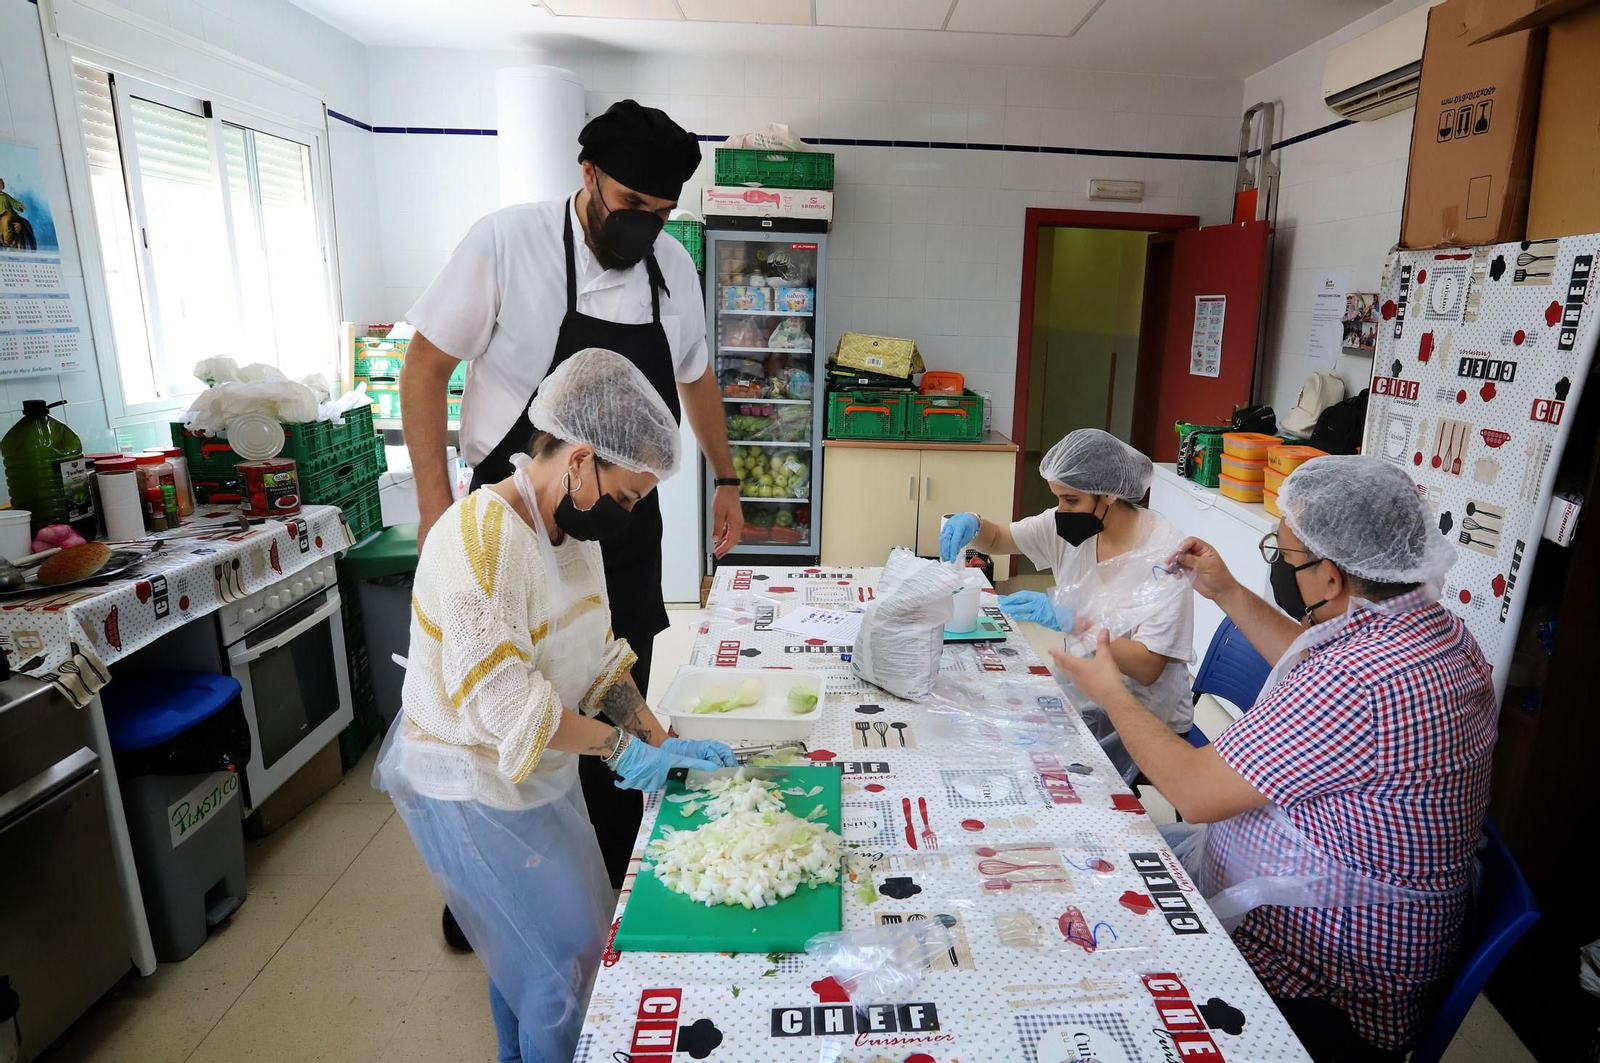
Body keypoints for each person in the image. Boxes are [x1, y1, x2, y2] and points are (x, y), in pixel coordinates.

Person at [399, 100, 743, 912]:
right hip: (517, 509)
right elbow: (423, 368)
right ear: (587, 175)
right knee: (501, 706)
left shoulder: (674, 274)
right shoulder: (506, 243)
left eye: (661, 215)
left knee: (607, 676)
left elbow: (695, 379)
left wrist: (725, 479)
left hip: (608, 515)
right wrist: (430, 504)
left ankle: (609, 881)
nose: (644, 228)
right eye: (631, 207)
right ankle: (493, 891)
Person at [1054, 456, 1497, 1063]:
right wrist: (1228, 591)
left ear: (1332, 577)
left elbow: (1193, 791)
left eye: (1286, 559)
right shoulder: (1434, 631)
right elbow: (1312, 661)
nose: (1280, 570)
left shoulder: (1358, 681)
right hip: (1376, 921)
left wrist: (1109, 690)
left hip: (1330, 984)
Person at [376, 349, 736, 1063]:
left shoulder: (571, 535)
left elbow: (596, 663)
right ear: (579, 460)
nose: (631, 514)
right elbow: (513, 711)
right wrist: (618, 748)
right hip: (468, 784)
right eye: (629, 495)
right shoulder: (483, 540)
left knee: (528, 952)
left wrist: (656, 737)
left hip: (535, 774)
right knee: (560, 978)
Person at [939, 428, 1195, 780]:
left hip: (1146, 718)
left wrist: (1074, 623)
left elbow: (1148, 666)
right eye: (1058, 498)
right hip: (1082, 693)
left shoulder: (1166, 554)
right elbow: (999, 537)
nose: (1061, 511)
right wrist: (973, 523)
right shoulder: (1069, 524)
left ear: (1107, 494)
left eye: (1071, 500)